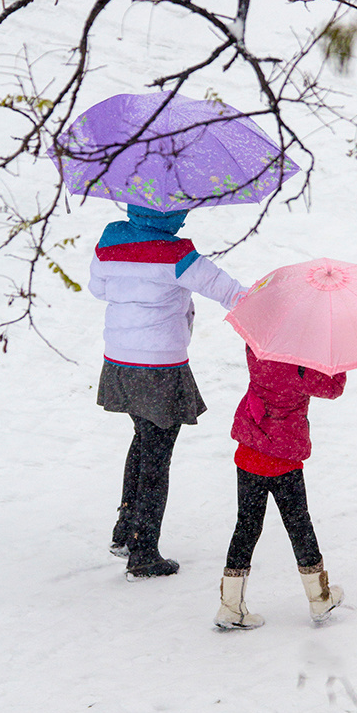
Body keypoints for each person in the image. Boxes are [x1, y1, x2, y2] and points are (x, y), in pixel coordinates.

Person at [89, 203, 246, 577]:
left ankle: (126, 530)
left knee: (143, 439)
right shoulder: (176, 254)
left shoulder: (110, 241)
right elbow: (230, 292)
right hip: (159, 366)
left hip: (120, 361)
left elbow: (98, 289)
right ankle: (143, 552)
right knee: (157, 454)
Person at [214, 344, 346, 629]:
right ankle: (318, 596)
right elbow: (333, 388)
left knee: (246, 526)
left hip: (250, 452)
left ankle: (230, 605)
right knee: (299, 526)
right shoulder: (301, 365)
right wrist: (336, 356)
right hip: (283, 460)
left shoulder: (259, 351)